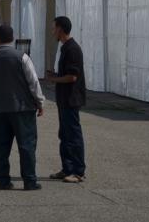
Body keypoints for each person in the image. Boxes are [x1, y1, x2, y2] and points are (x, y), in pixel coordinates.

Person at [0, 24, 45, 190]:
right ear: (12, 38)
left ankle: (3, 180)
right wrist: (40, 102)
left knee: (0, 148)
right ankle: (29, 181)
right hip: (22, 108)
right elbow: (33, 82)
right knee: (26, 145)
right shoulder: (22, 57)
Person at [45, 16, 87, 183]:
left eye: (54, 28)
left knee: (73, 135)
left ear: (61, 29)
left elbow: (72, 77)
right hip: (63, 99)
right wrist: (55, 75)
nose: (52, 31)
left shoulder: (72, 49)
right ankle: (67, 168)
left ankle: (78, 171)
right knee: (64, 134)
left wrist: (54, 79)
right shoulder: (65, 48)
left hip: (71, 99)